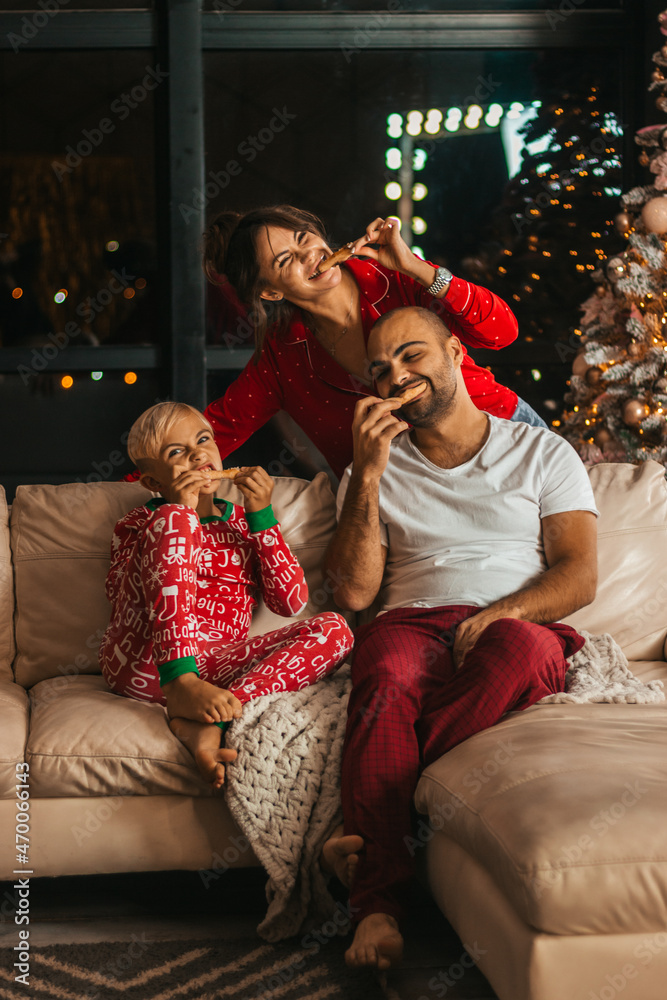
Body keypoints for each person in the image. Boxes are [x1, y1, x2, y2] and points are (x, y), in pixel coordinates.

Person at [322, 306, 599, 970]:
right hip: (411, 623)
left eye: (412, 356)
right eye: (381, 370)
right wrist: (365, 471)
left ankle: (377, 845)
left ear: (452, 352)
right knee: (383, 672)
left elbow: (578, 574)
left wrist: (497, 615)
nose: (398, 376)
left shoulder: (541, 451)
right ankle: (380, 911)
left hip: (518, 623)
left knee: (517, 650)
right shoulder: (371, 466)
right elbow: (355, 595)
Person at [99, 401, 353, 788]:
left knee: (336, 630)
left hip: (215, 668)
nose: (198, 454)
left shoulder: (240, 520)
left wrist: (262, 516)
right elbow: (123, 599)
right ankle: (181, 685)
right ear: (153, 482)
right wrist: (178, 513)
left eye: (203, 441)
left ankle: (211, 718)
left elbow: (290, 602)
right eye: (176, 452)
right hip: (147, 662)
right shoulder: (141, 521)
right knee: (174, 519)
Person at [202, 206, 548, 481]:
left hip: (504, 436)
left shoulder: (397, 278)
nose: (308, 253)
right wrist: (152, 480)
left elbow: (501, 333)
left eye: (303, 237)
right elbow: (212, 433)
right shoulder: (281, 359)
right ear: (271, 292)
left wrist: (416, 267)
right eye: (285, 259)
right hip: (412, 498)